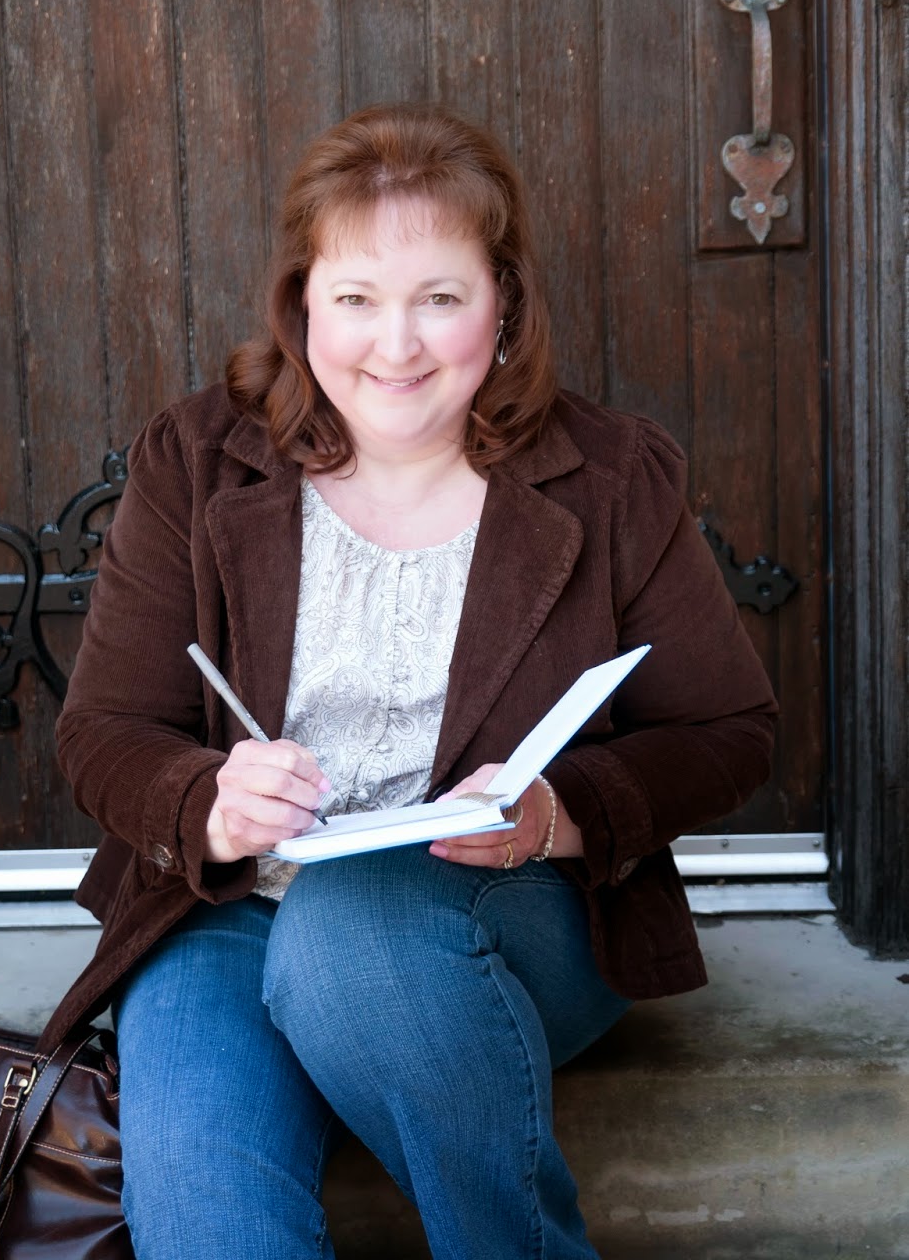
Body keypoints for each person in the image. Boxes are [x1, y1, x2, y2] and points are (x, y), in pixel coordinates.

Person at [46, 102, 777, 1259]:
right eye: (355, 299)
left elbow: (729, 729)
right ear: (302, 303)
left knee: (350, 936)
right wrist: (206, 803)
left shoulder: (609, 476)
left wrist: (559, 812)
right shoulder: (197, 460)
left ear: (504, 302)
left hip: (508, 911)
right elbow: (104, 728)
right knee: (202, 1197)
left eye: (439, 297)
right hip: (227, 910)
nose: (395, 346)